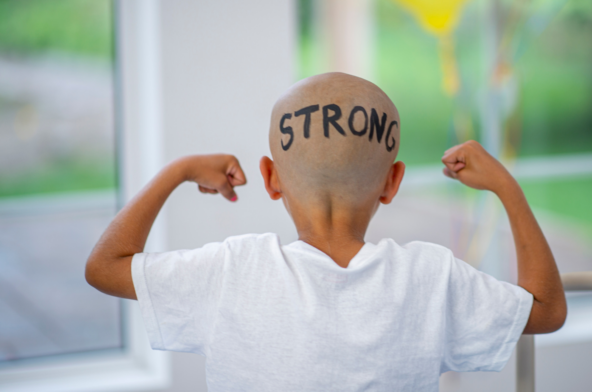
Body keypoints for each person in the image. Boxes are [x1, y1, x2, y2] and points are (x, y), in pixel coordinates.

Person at [85, 72, 566, 391]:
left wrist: (180, 169)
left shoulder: (231, 270)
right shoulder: (430, 277)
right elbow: (546, 310)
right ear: (391, 183)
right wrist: (506, 187)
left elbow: (104, 268)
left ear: (271, 179)